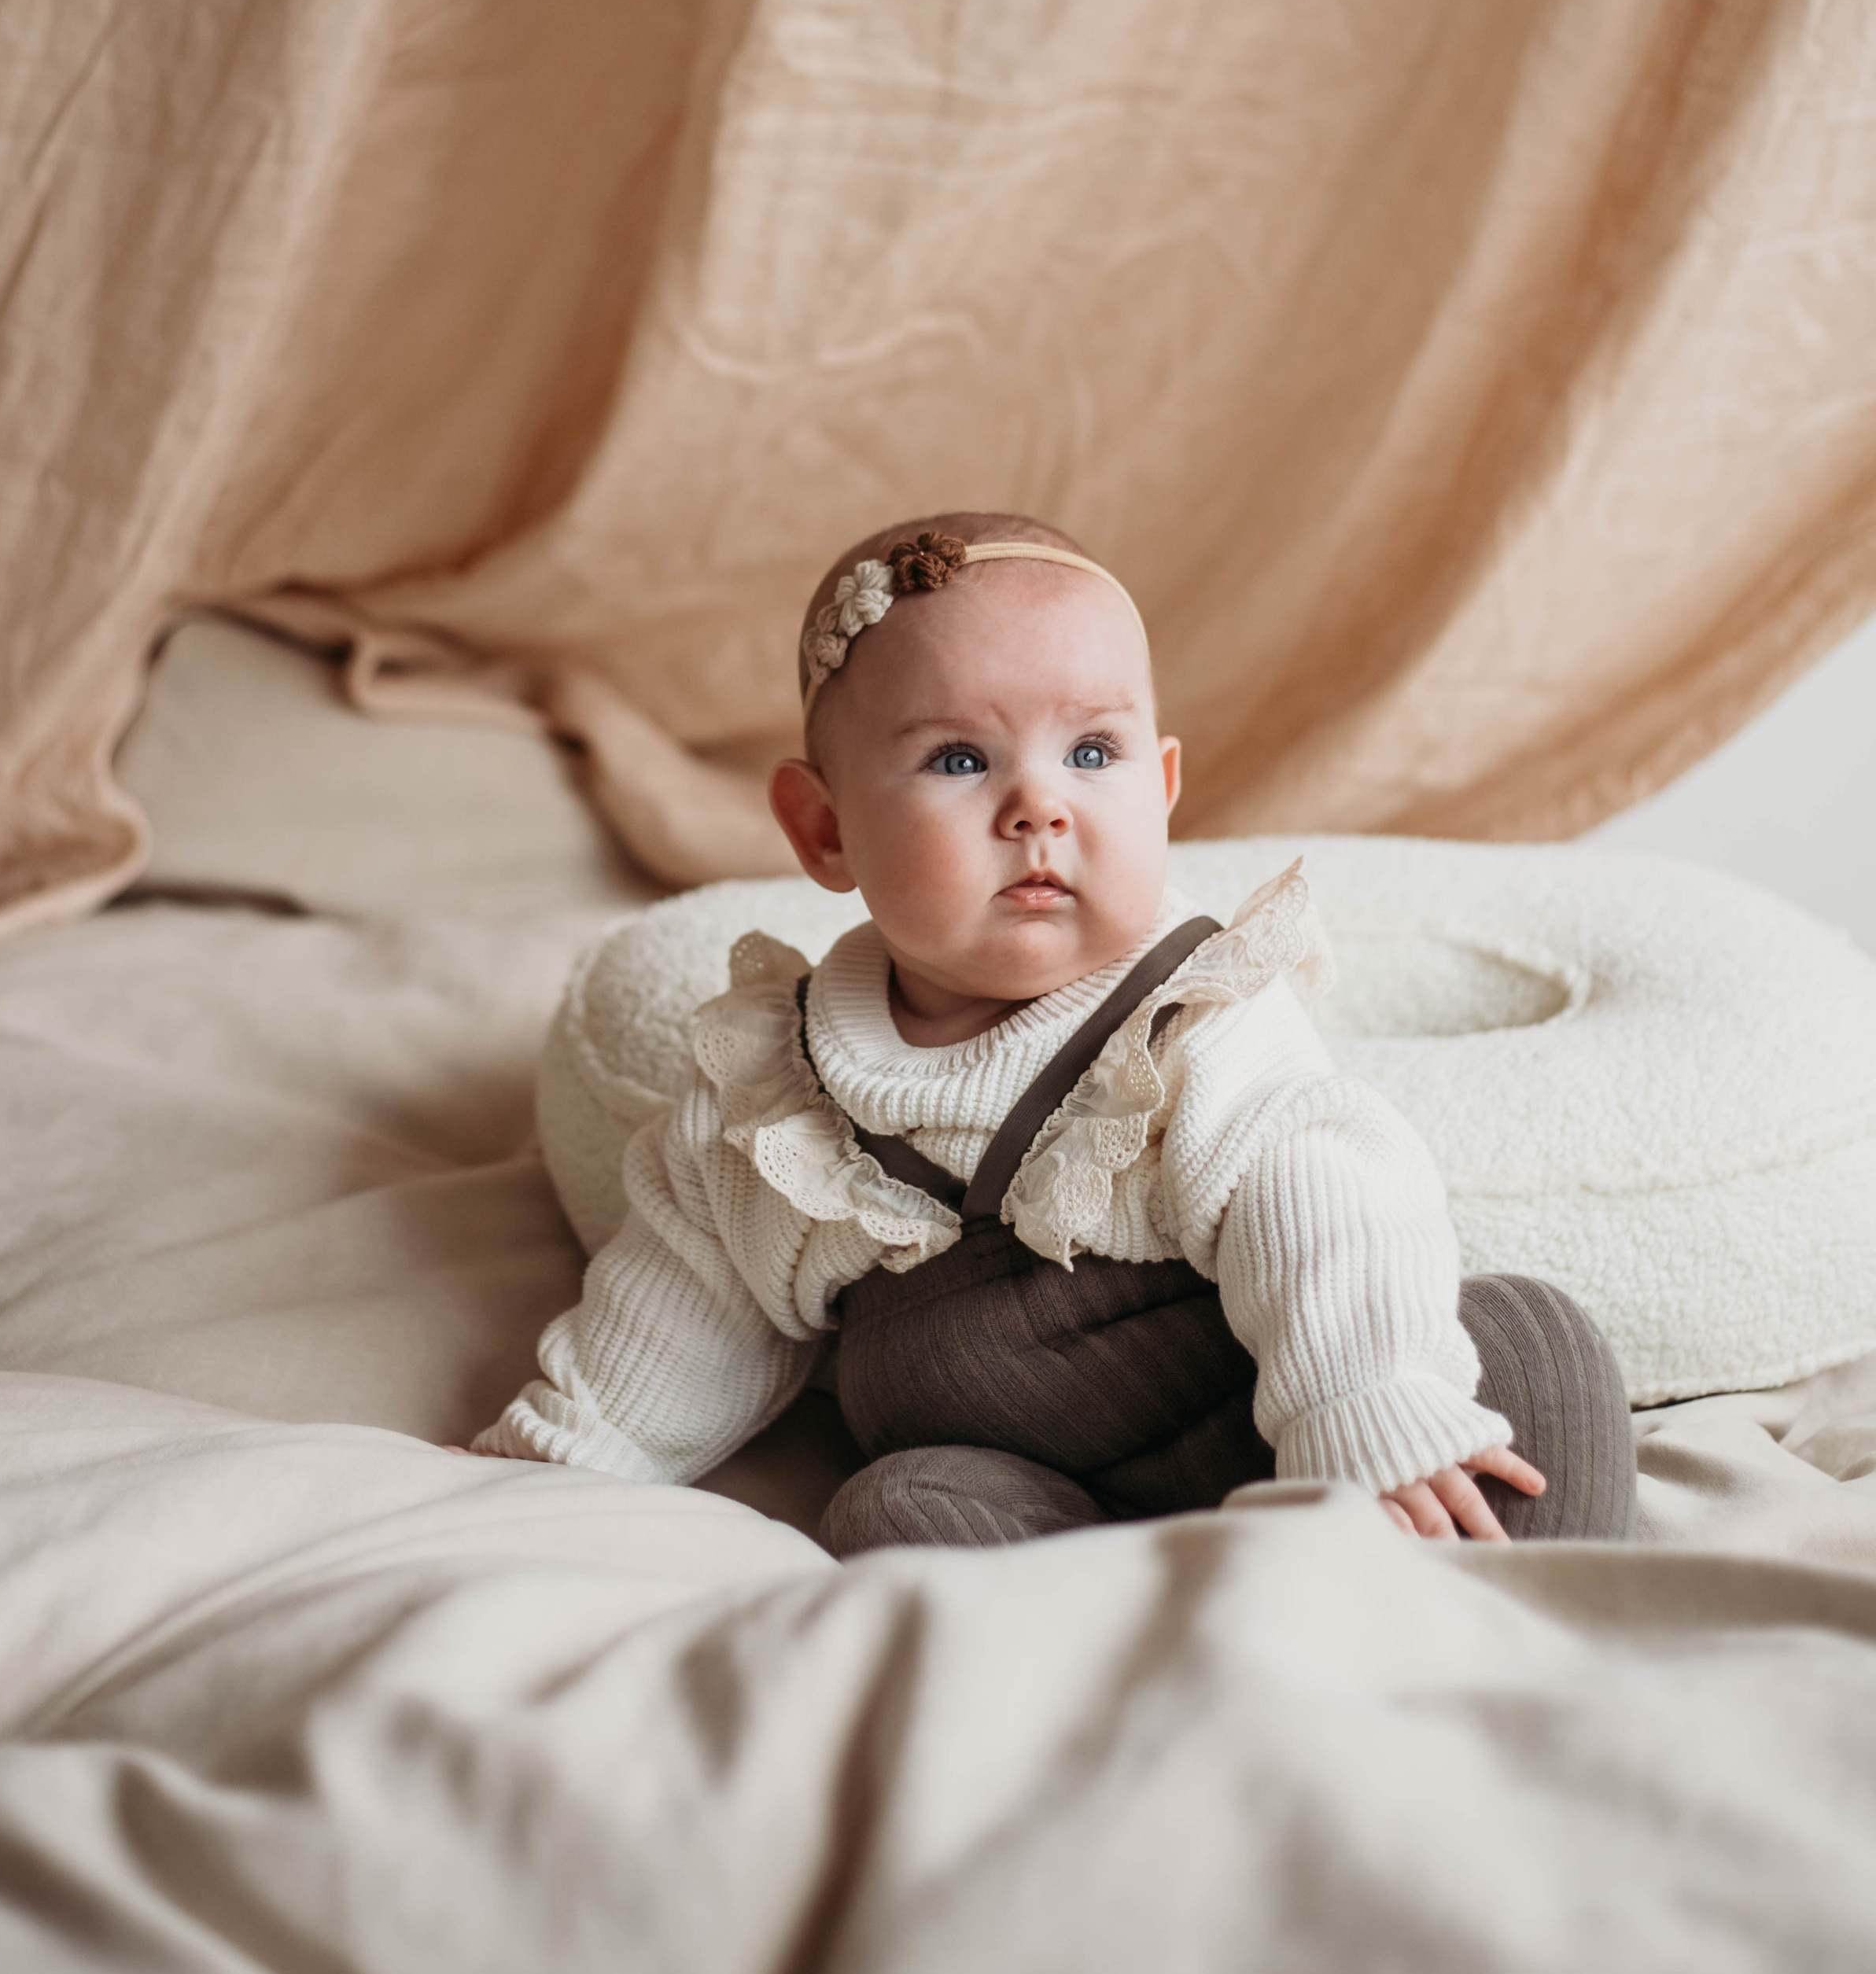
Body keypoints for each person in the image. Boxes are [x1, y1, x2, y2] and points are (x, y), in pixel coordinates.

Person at [473, 513, 1638, 1552]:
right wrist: (571, 1464)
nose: (1040, 806)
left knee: (1530, 1335)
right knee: (894, 1507)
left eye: (1092, 754)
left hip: (1303, 1430)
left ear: (1163, 787)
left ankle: (1496, 1628)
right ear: (824, 830)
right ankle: (1153, 1665)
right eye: (959, 759)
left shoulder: (1190, 1017)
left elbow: (1318, 1189)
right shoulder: (782, 1093)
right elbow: (680, 1304)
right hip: (1047, 1502)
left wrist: (1365, 1405)